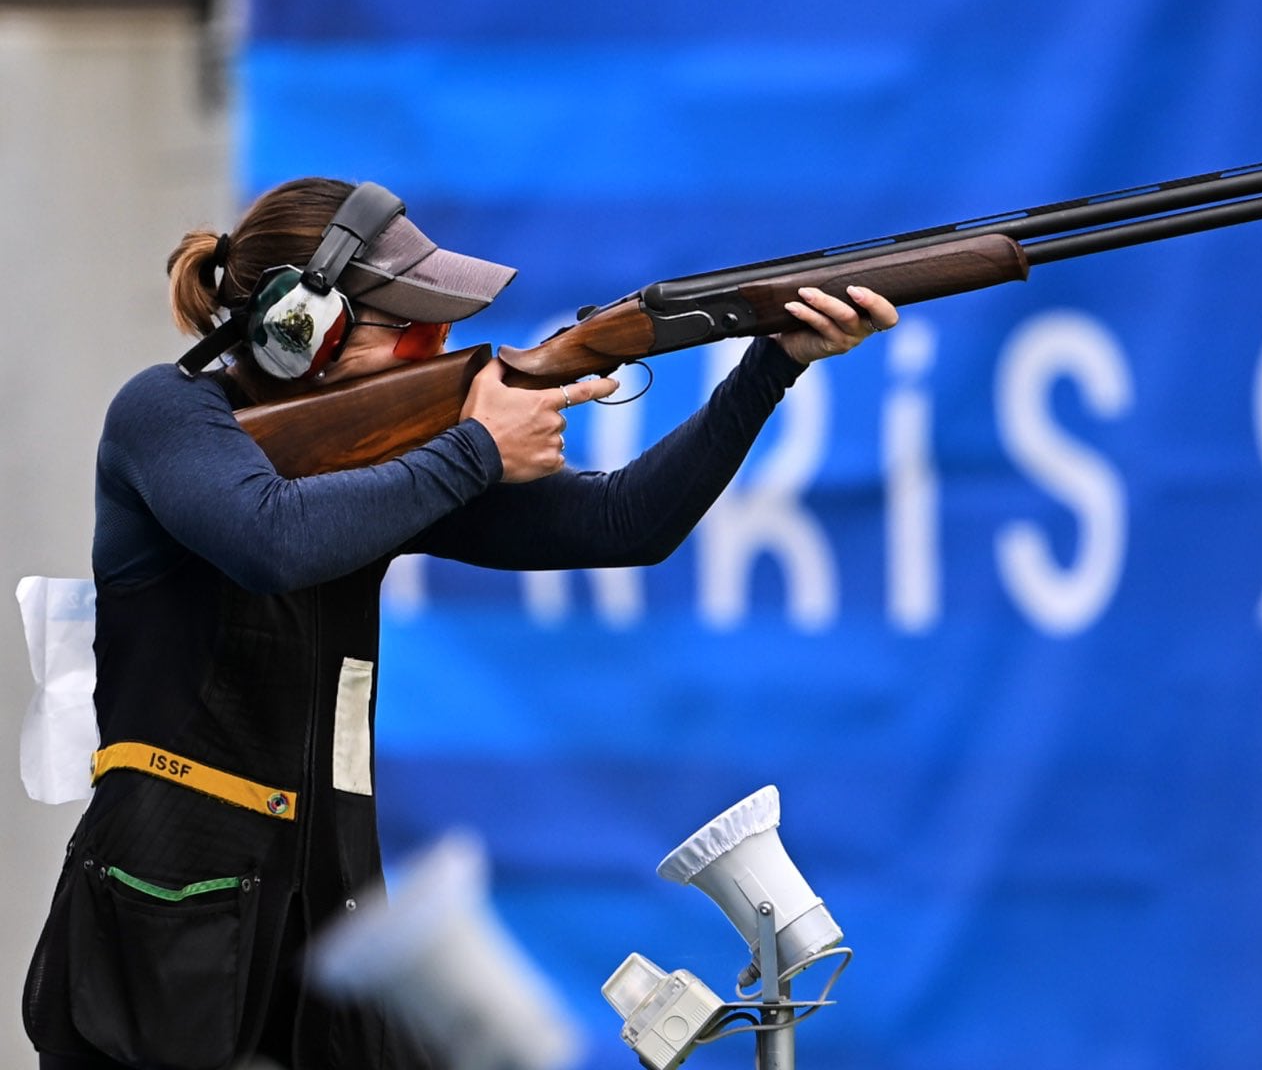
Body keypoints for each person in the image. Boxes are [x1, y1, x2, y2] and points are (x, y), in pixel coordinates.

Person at [19, 177, 897, 1070]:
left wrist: (770, 365)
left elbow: (627, 522)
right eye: (413, 328)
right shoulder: (164, 413)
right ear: (299, 330)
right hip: (168, 932)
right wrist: (476, 450)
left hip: (329, 925)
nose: (441, 348)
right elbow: (269, 540)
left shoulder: (395, 462)